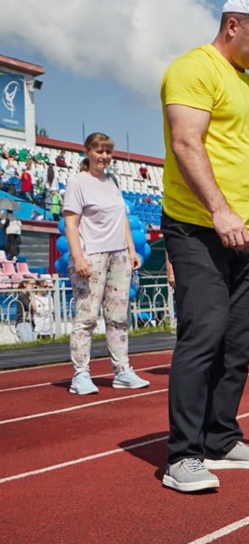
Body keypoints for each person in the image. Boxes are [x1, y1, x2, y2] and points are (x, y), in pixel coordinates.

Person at [159, 0, 249, 493]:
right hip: (197, 226)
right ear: (233, 26)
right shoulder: (193, 69)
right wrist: (218, 210)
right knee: (203, 333)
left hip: (246, 231)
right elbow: (184, 142)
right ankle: (183, 455)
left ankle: (220, 438)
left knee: (239, 340)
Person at [62, 132, 151, 396]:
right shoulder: (78, 183)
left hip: (118, 255)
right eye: (99, 151)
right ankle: (80, 374)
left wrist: (131, 249)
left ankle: (122, 370)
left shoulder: (113, 180)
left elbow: (121, 218)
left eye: (108, 152)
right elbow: (71, 223)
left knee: (118, 317)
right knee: (86, 317)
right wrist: (78, 257)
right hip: (92, 256)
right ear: (87, 152)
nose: (104, 157)